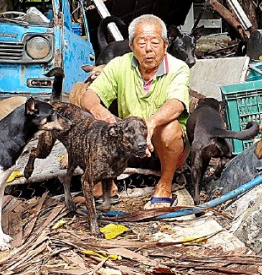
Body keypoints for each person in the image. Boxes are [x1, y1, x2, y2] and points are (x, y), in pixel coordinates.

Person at [81, 14, 191, 209]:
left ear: (165, 45)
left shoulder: (178, 68)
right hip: (130, 142)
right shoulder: (119, 64)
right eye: (142, 43)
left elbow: (177, 103)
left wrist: (151, 123)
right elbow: (89, 95)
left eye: (155, 42)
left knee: (170, 129)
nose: (148, 49)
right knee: (94, 120)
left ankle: (165, 184)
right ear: (131, 46)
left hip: (161, 146)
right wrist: (98, 110)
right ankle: (105, 183)